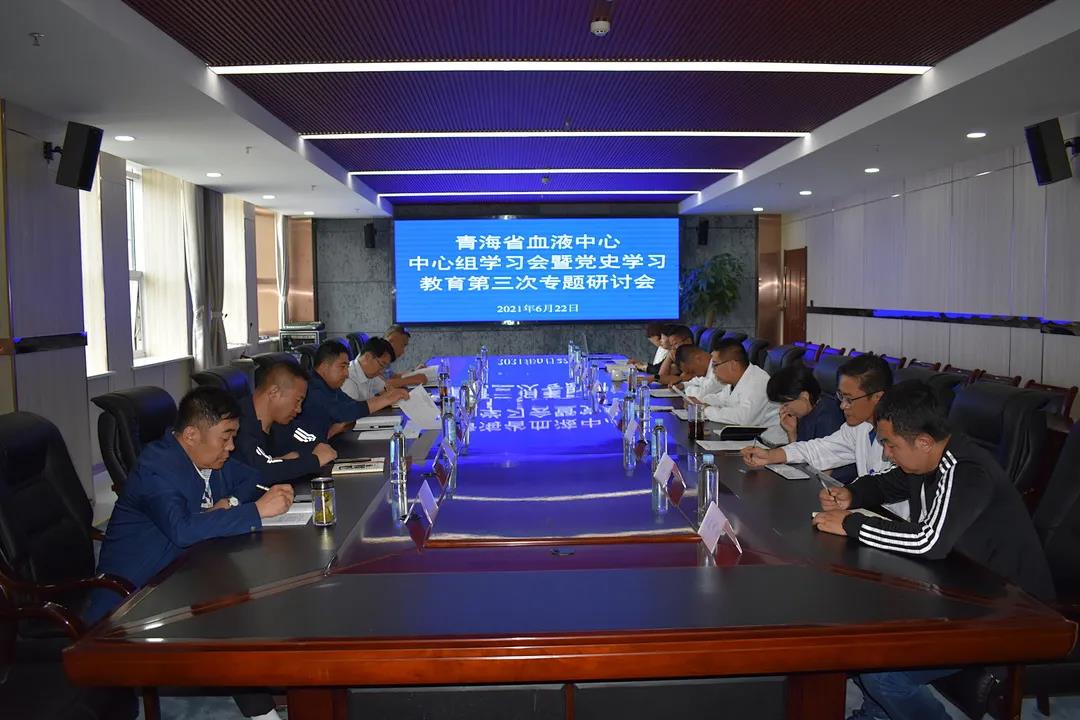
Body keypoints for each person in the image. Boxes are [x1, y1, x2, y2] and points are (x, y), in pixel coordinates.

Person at [812, 381, 1054, 720]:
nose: (886, 454)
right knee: (864, 627)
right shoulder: (927, 460)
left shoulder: (967, 470)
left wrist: (852, 524)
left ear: (924, 442)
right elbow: (886, 483)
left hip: (1011, 612)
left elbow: (929, 541)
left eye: (890, 445)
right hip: (961, 590)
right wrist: (852, 495)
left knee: (883, 674)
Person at [85, 387, 294, 625]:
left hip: (183, 582)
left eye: (233, 438)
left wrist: (229, 502)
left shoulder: (210, 458)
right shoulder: (156, 470)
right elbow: (182, 530)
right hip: (129, 604)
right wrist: (255, 510)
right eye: (225, 438)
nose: (231, 447)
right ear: (191, 435)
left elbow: (251, 477)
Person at [741, 354, 902, 514]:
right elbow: (819, 449)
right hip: (869, 511)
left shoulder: (903, 435)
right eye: (841, 397)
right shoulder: (858, 428)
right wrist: (770, 456)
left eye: (849, 399)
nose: (842, 406)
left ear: (877, 397)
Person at [279, 340, 409, 447]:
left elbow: (351, 406)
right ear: (324, 367)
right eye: (342, 367)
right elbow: (343, 412)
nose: (346, 373)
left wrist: (341, 424)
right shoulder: (312, 389)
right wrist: (386, 399)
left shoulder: (331, 386)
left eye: (347, 367)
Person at [235, 360, 337, 483]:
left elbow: (319, 445)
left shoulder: (283, 422)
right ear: (274, 393)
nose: (299, 409)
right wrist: (313, 461)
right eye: (298, 400)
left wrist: (287, 461)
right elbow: (260, 471)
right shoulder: (238, 424)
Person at [689, 339, 783, 443]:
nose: (713, 370)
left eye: (715, 365)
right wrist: (700, 402)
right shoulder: (734, 380)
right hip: (747, 438)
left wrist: (705, 409)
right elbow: (721, 399)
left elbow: (744, 418)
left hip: (769, 443)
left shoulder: (758, 381)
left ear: (733, 365)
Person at [766, 365, 845, 444]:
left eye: (786, 404)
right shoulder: (808, 411)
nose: (783, 409)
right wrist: (791, 432)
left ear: (804, 396)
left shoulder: (827, 418)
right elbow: (799, 449)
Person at [342, 336, 397, 401]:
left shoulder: (369, 373)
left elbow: (386, 388)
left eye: (385, 367)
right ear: (367, 357)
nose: (382, 371)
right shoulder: (348, 379)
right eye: (382, 365)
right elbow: (353, 407)